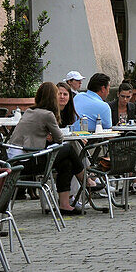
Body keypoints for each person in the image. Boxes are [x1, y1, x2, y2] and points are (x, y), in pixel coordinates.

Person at [6, 82, 86, 215]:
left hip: (17, 160)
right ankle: (85, 180)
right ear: (52, 98)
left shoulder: (30, 111)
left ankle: (65, 205)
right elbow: (60, 138)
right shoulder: (47, 114)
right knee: (69, 149)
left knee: (66, 162)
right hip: (28, 161)